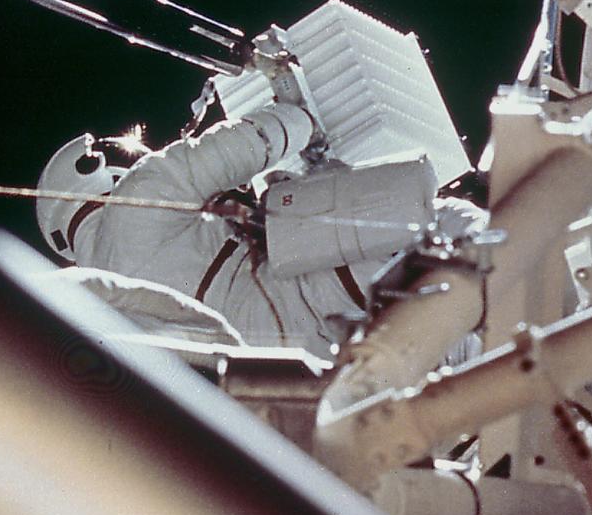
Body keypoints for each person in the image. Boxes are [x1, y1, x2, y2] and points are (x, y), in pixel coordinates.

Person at [36, 104, 381, 356]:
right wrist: (299, 120)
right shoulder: (132, 204)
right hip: (303, 295)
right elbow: (228, 150)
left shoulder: (103, 298)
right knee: (418, 230)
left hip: (283, 362)